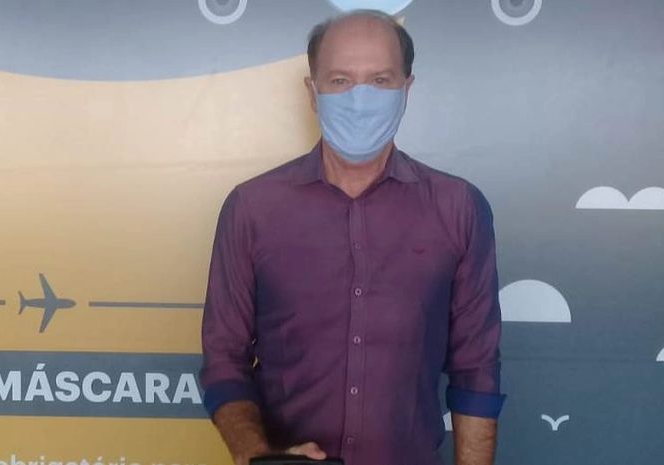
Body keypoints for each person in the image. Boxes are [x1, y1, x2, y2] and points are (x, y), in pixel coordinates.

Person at [200, 9, 505, 465]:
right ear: (312, 91)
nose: (360, 99)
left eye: (380, 80)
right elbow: (224, 360)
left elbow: (476, 370)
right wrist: (256, 455)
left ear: (407, 89)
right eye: (340, 80)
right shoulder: (252, 208)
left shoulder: (459, 208)